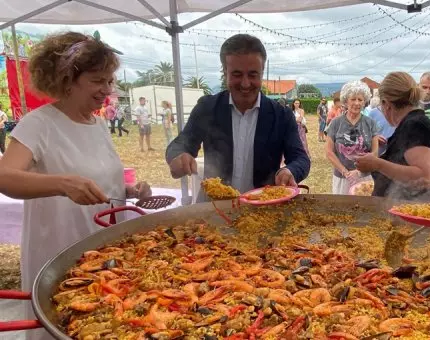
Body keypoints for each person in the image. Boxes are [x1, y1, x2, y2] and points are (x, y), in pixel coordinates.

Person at [0, 32, 151, 340]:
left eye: (109, 81)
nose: (106, 91)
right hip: (60, 249)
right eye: (97, 81)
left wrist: (130, 191)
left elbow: (103, 179)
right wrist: (61, 184)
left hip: (103, 248)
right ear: (67, 80)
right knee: (63, 323)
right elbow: (4, 177)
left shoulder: (97, 123)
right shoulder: (39, 123)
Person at [166, 34, 310, 200]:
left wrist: (289, 170)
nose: (245, 83)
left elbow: (301, 159)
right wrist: (178, 156)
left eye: (253, 74)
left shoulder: (281, 115)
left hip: (264, 210)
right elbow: (181, 143)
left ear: (262, 73)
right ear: (225, 72)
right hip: (214, 209)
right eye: (237, 74)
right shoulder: (207, 107)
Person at [356, 72, 430, 201]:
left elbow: (425, 179)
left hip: (409, 211)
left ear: (386, 104)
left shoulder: (415, 125)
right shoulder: (414, 123)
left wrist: (377, 164)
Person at [325, 80, 379, 195]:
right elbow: (329, 152)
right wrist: (345, 172)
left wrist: (358, 172)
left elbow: (375, 153)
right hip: (342, 178)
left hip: (365, 178)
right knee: (341, 210)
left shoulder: (371, 123)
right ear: (346, 101)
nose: (357, 103)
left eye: (360, 99)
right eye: (353, 99)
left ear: (364, 102)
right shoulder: (335, 123)